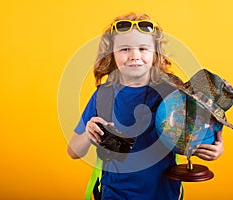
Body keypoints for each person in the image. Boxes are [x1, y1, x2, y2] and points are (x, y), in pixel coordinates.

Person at [67, 12, 224, 200]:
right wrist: (88, 134)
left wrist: (216, 149)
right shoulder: (104, 95)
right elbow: (73, 152)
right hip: (115, 194)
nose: (134, 56)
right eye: (125, 49)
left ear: (155, 53)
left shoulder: (173, 94)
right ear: (111, 54)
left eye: (143, 48)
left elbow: (198, 127)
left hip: (163, 193)